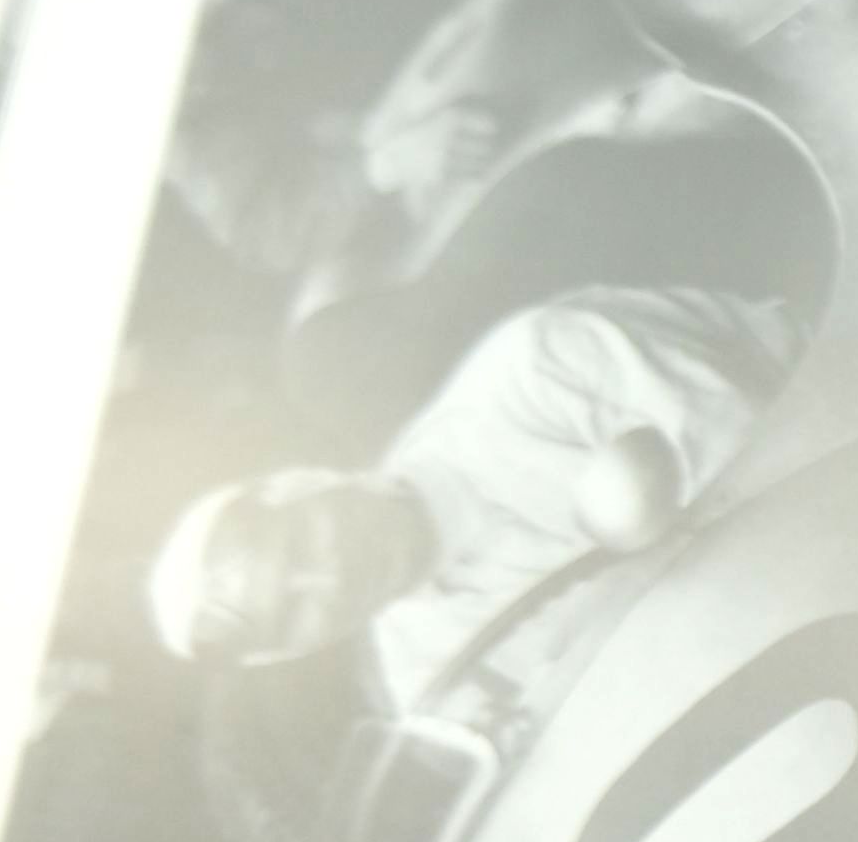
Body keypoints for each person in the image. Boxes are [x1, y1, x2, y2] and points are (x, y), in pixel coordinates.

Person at [146, 278, 802, 719]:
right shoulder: (431, 680)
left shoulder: (530, 371)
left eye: (301, 545)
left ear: (303, 484)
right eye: (294, 610)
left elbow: (780, 459)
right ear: (296, 650)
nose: (329, 579)